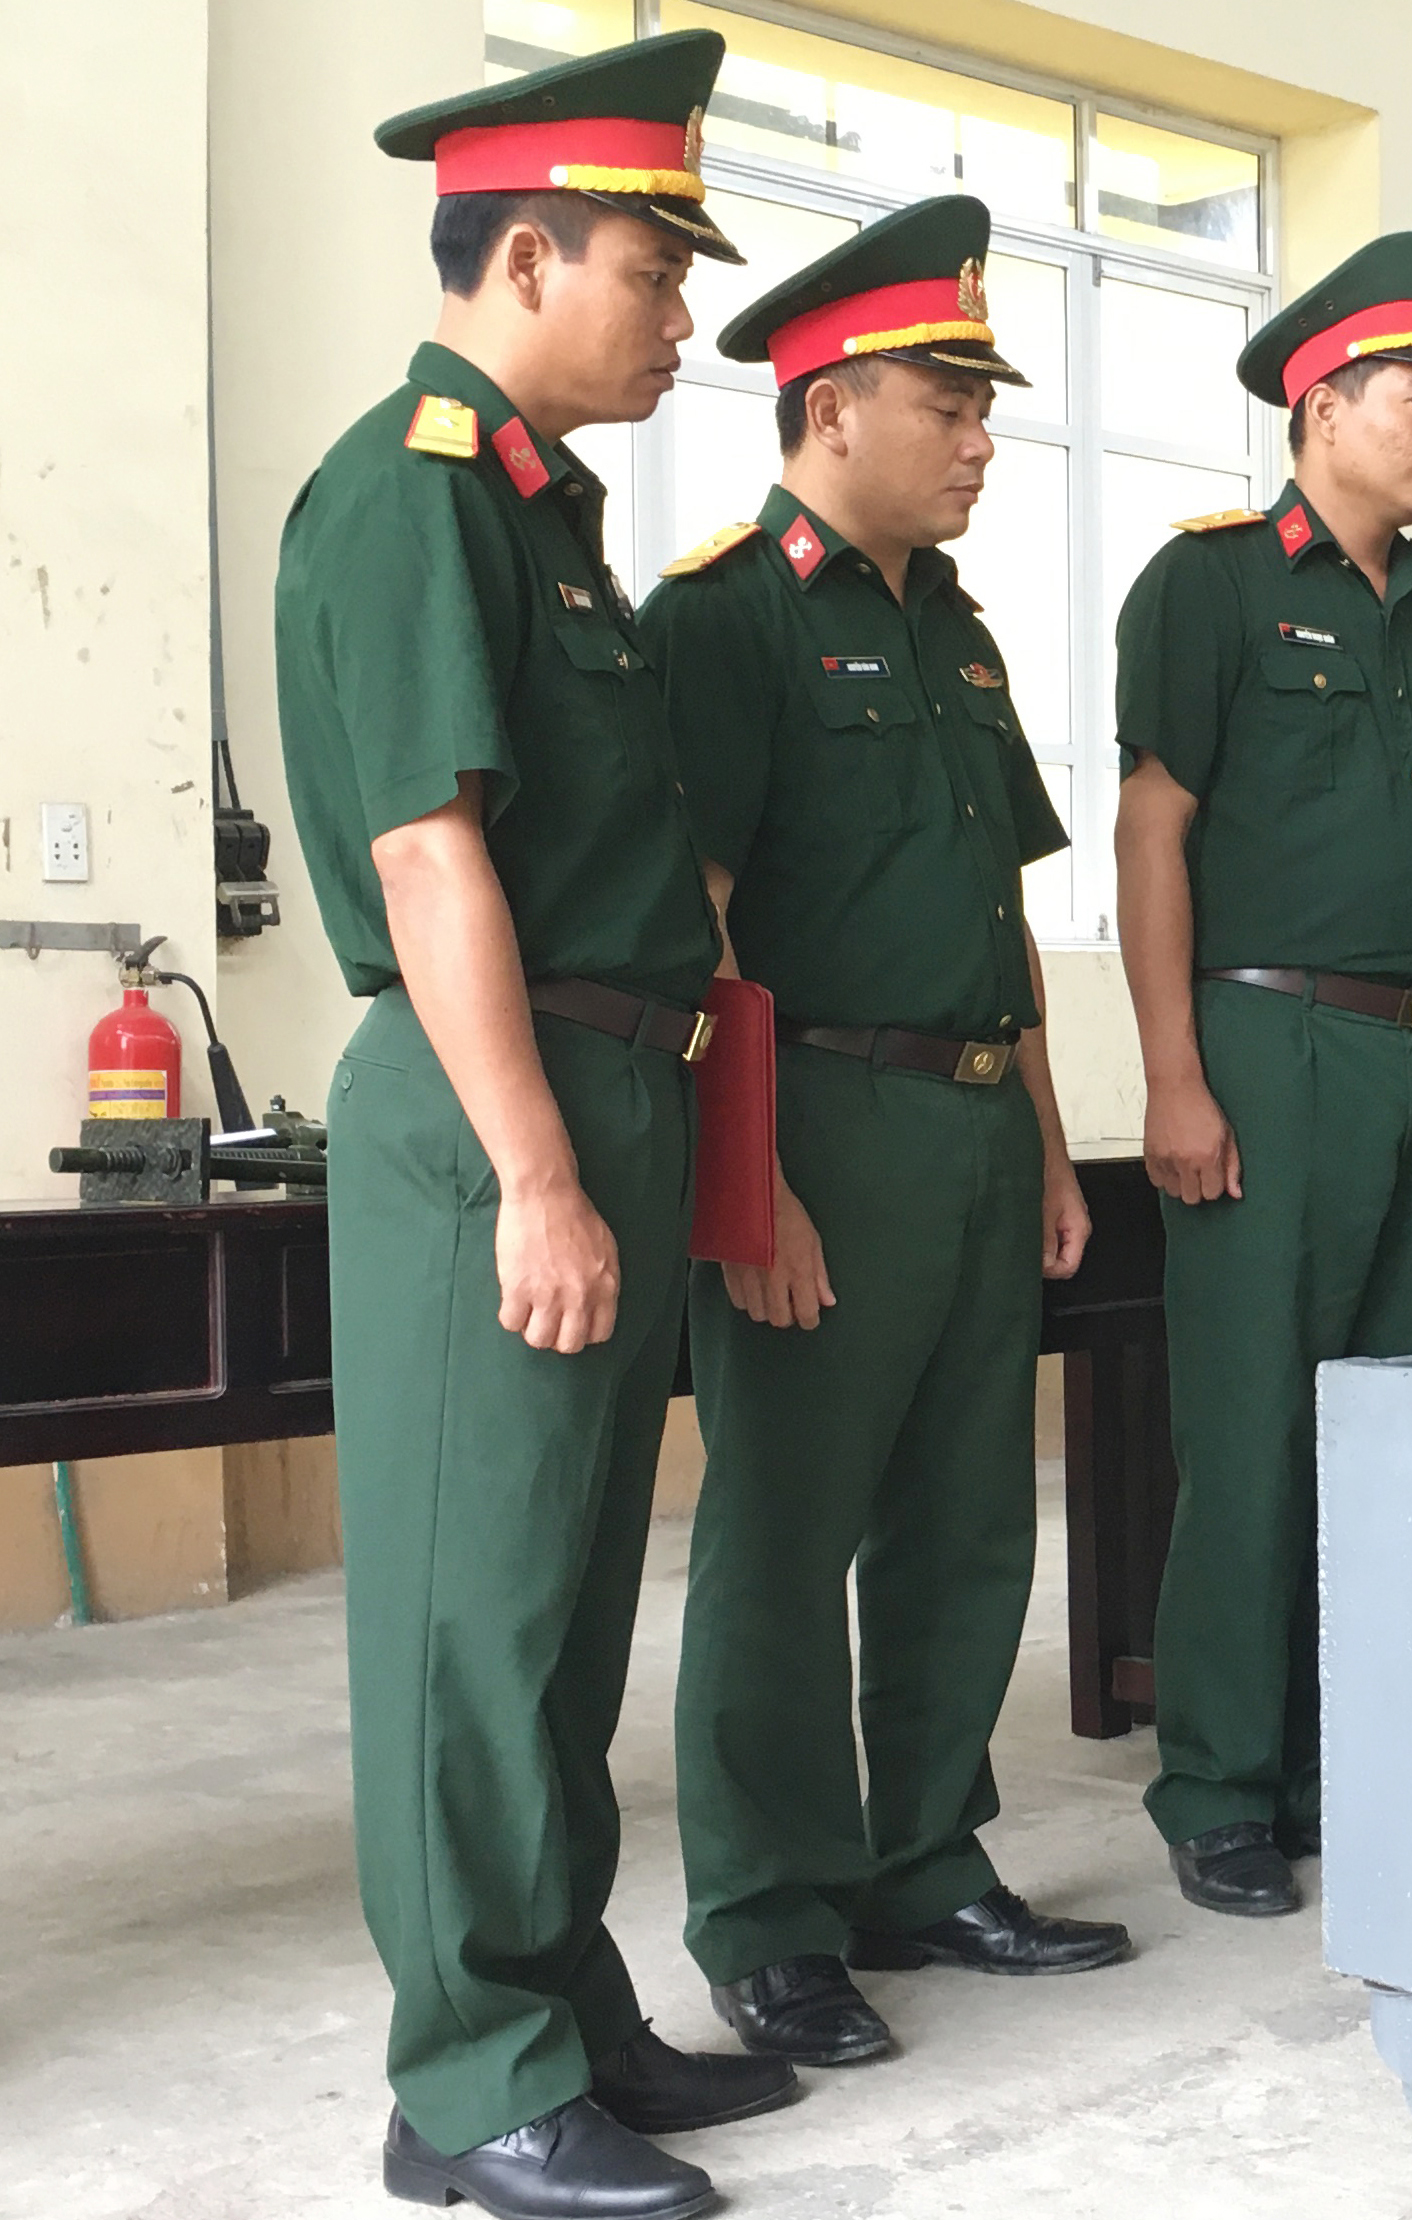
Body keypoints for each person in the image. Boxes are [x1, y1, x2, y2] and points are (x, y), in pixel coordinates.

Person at [276, 32, 793, 2219]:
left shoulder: (541, 515)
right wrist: (539, 1173)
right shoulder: (406, 493)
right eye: (655, 268)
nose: (683, 313)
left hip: (605, 1073)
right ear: (525, 256)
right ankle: (465, 2082)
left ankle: (560, 2003)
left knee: (574, 1609)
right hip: (498, 1104)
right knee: (469, 1618)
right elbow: (425, 863)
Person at [637, 195, 1128, 2075]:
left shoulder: (960, 637)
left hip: (971, 1121)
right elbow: (700, 912)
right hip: (817, 1121)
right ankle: (768, 1915)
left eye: (986, 406)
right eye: (952, 401)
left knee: (962, 1525)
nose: (985, 439)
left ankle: (923, 1861)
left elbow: (998, 908)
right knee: (784, 1538)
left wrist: (1047, 1141)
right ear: (832, 405)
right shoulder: (727, 620)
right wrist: (742, 1176)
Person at [1111, 231, 1412, 1917]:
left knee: (1383, 1436)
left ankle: (1332, 1755)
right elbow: (1155, 829)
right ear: (1320, 401)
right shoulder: (1207, 585)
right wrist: (1173, 1076)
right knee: (1252, 1431)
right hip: (1269, 1052)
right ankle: (1216, 1779)